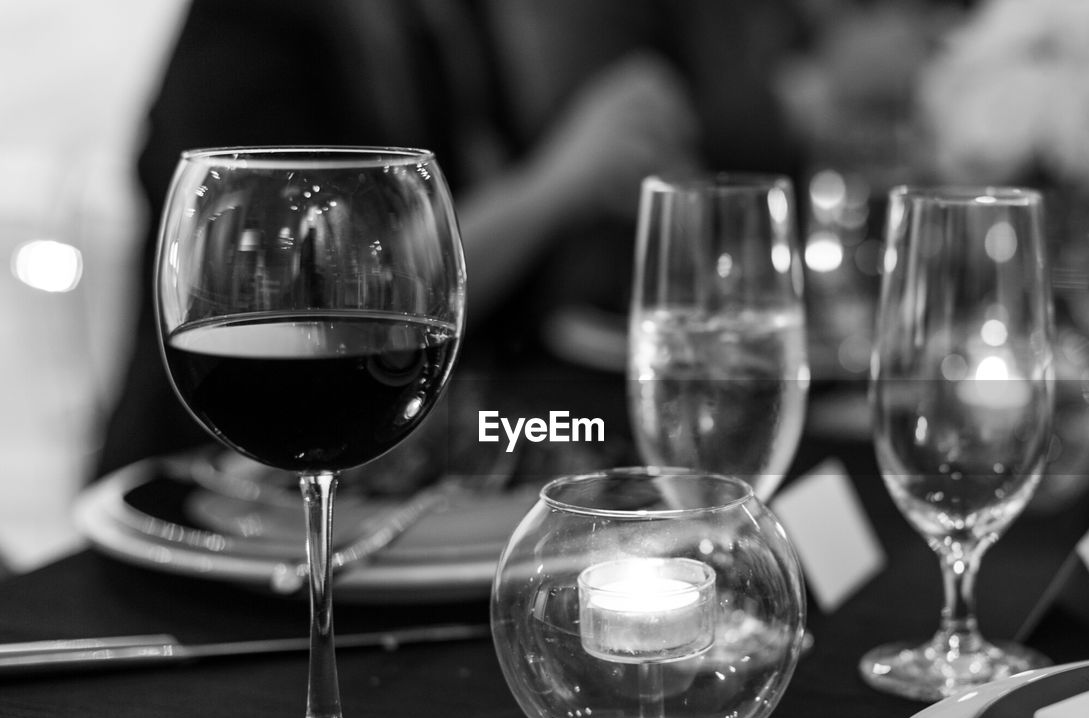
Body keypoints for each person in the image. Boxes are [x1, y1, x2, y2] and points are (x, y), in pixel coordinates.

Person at [95, 0, 809, 479]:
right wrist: (559, 178)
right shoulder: (248, 26)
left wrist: (602, 183)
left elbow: (483, 248)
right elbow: (310, 306)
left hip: (403, 470)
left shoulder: (444, 19)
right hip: (211, 473)